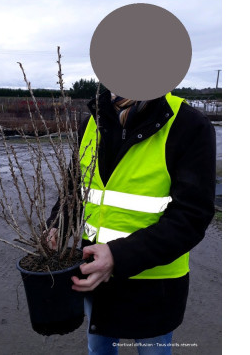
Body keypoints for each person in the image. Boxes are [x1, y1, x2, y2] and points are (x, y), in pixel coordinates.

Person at [46, 89, 216, 355]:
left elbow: (192, 216)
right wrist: (58, 224)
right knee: (99, 350)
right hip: (96, 279)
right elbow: (76, 188)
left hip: (154, 288)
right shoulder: (93, 120)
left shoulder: (188, 123)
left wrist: (117, 256)